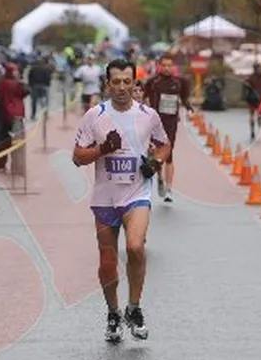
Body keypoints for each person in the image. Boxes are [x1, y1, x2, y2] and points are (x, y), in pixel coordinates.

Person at [72, 59, 170, 342]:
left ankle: (134, 308)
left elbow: (164, 144)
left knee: (136, 247)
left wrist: (155, 162)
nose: (122, 87)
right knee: (107, 261)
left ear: (135, 84)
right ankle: (113, 313)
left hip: (136, 193)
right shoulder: (95, 115)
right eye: (116, 82)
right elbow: (77, 157)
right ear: (107, 85)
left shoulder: (148, 115)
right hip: (105, 198)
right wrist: (103, 149)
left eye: (128, 82)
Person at [144, 53, 192, 203]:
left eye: (169, 65)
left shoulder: (180, 82)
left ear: (173, 67)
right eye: (164, 65)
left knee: (169, 154)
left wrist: (189, 108)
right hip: (155, 124)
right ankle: (160, 178)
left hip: (171, 123)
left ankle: (169, 189)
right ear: (159, 66)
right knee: (157, 153)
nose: (166, 68)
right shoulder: (153, 82)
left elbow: (184, 98)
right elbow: (142, 96)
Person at [0, 63, 29, 171]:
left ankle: (1, 164)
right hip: (17, 115)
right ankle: (16, 165)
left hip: (5, 115)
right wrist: (22, 83)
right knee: (17, 142)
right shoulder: (17, 84)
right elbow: (25, 92)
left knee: (3, 141)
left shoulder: (2, 83)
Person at [244, 63, 261, 141]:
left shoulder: (250, 78)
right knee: (260, 116)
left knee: (252, 115)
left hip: (252, 99)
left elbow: (246, 89)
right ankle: (260, 131)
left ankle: (252, 131)